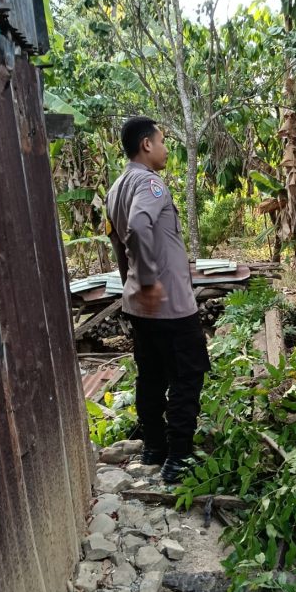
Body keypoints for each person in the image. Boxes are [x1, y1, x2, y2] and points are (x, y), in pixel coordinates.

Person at [106, 116, 210, 484]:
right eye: (163, 141)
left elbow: (119, 244)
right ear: (146, 145)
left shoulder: (116, 187)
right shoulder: (151, 184)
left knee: (151, 373)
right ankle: (178, 457)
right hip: (167, 304)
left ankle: (154, 447)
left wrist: (132, 284)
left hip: (140, 304)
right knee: (188, 372)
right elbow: (136, 227)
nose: (166, 149)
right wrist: (150, 281)